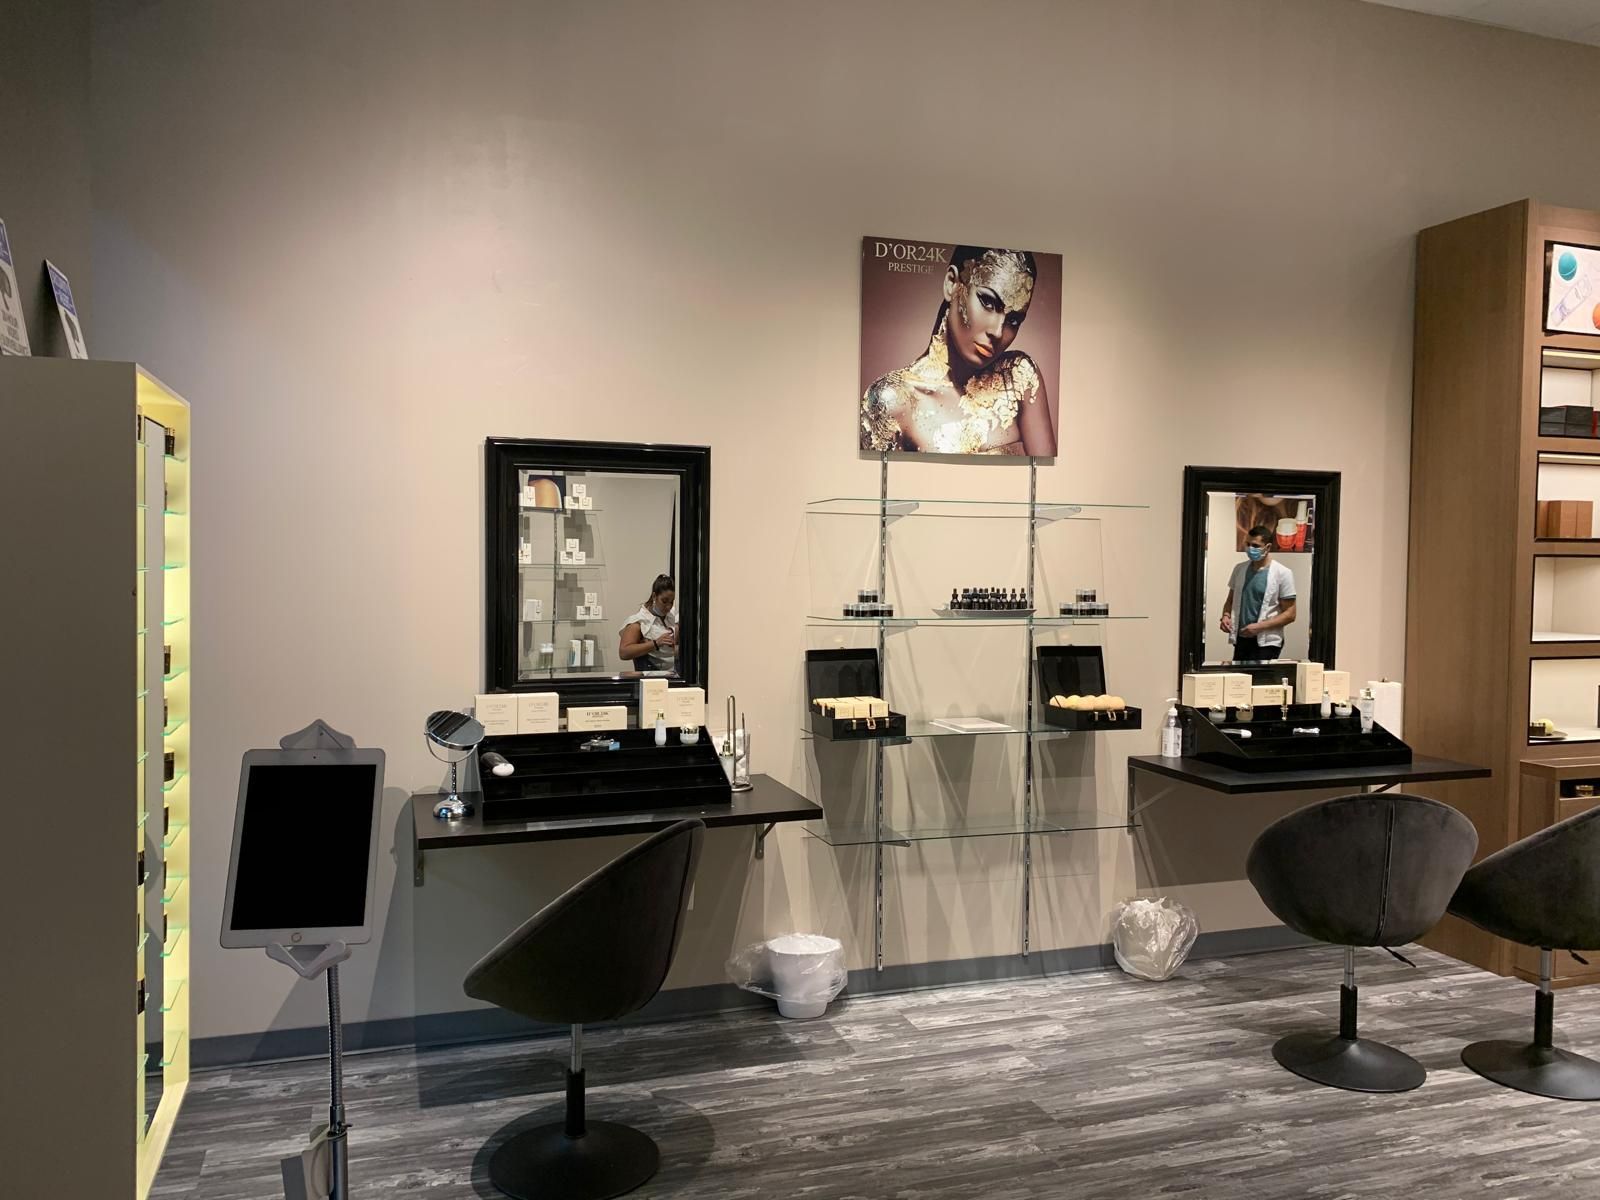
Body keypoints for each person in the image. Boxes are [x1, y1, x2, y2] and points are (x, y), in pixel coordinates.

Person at [861, 245, 1055, 456]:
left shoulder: (1019, 376)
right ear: (952, 284)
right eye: (988, 302)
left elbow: (1049, 481)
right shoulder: (892, 400)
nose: (998, 331)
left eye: (1014, 320)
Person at [1220, 526, 1297, 662]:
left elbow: (1290, 614)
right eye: (1248, 544)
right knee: (1240, 679)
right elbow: (1230, 601)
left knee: (1261, 680)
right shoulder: (1239, 569)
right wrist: (1225, 616)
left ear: (1267, 547)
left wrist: (1259, 627)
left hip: (1267, 642)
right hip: (1241, 638)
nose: (1250, 549)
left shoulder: (1283, 573)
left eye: (1255, 545)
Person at [619, 574, 679, 673]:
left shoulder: (673, 615)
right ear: (654, 596)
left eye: (671, 602)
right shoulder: (638, 622)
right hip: (654, 676)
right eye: (664, 601)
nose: (668, 606)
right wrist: (655, 643)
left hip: (677, 673)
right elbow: (624, 652)